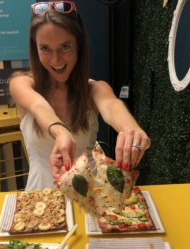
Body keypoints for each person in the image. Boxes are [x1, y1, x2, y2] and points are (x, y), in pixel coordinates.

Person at [9, 1, 151, 191]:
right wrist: (60, 132)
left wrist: (132, 131)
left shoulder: (94, 89)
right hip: (41, 199)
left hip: (90, 199)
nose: (56, 59)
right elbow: (38, 106)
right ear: (35, 49)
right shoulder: (21, 83)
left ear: (78, 45)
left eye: (65, 47)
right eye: (45, 48)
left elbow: (111, 105)